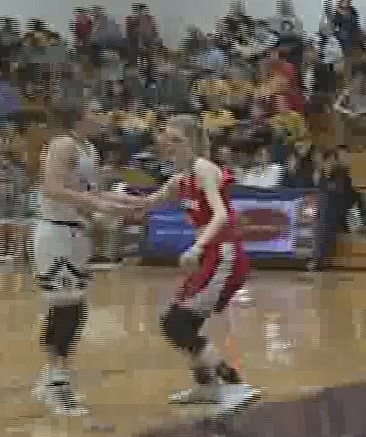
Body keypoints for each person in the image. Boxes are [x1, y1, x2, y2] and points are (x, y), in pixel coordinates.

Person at [110, 113, 260, 416]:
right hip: (210, 255)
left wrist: (197, 245)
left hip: (224, 254)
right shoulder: (180, 180)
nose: (170, 146)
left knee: (176, 323)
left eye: (177, 141)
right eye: (167, 140)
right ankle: (206, 385)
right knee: (182, 324)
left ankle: (232, 383)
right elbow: (145, 205)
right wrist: (107, 200)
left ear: (193, 143)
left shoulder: (204, 169)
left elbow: (220, 216)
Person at [31, 102, 122, 416]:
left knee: (75, 308)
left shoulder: (89, 149)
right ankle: (56, 381)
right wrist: (98, 206)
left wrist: (118, 205)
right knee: (65, 307)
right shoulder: (63, 144)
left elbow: (88, 193)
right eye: (96, 111)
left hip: (75, 233)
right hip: (57, 233)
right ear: (79, 116)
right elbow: (52, 188)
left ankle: (55, 375)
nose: (102, 116)